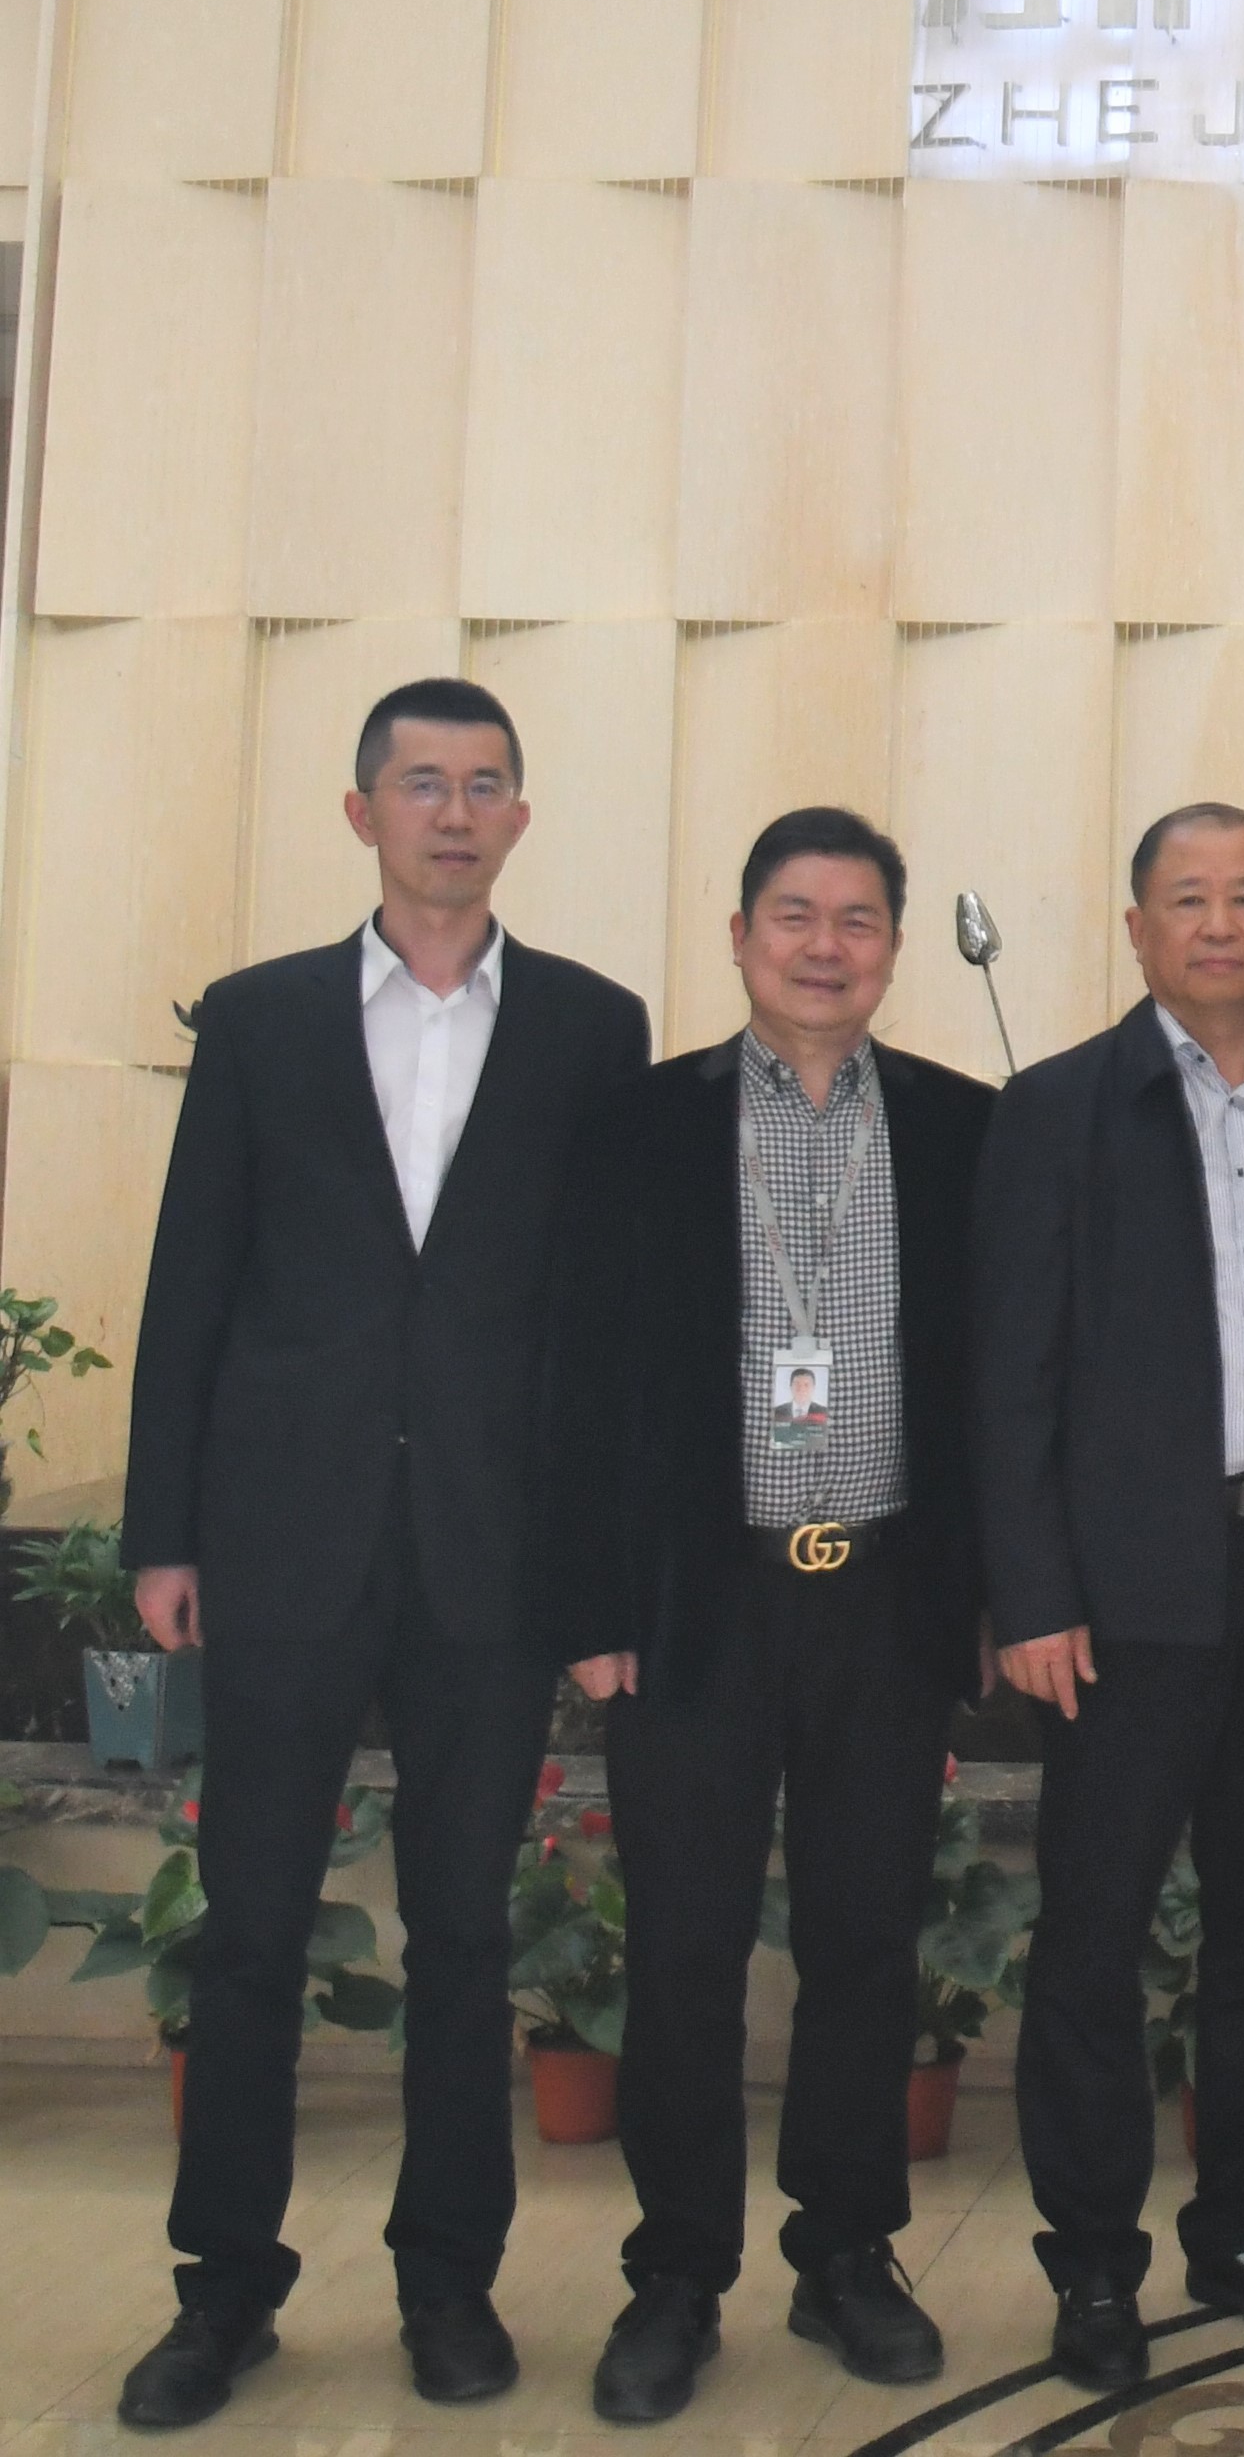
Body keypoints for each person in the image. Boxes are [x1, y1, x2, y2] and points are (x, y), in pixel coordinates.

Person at [112, 681, 652, 2429]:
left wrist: (598, 1571)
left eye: (486, 785)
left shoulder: (592, 1027)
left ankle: (449, 2284)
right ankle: (224, 2292)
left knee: (467, 1936)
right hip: (283, 1538)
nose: (454, 812)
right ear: (362, 813)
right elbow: (193, 1274)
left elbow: (603, 1328)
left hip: (490, 1553)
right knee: (252, 1931)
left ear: (520, 818)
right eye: (422, 783)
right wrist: (164, 1529)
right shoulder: (261, 1019)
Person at [545, 809, 996, 2423]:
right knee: (684, 1946)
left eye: (857, 920)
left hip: (882, 1593)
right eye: (794, 916)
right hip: (700, 1600)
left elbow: (997, 1382)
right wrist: (593, 1600)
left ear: (892, 949)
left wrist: (989, 1593)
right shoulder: (641, 1125)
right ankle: (676, 2274)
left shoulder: (962, 1129)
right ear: (738, 937)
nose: (825, 947)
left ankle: (846, 2253)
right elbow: (577, 1370)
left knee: (866, 1942)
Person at [978, 805, 1244, 2388]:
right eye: (1188, 899)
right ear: (1136, 927)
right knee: (1095, 1937)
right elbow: (1009, 1378)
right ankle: (1093, 2263)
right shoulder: (1057, 1111)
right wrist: (1032, 1592)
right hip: (1122, 1590)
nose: (1220, 925)